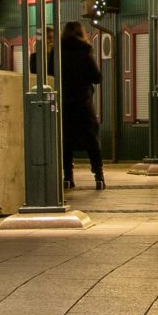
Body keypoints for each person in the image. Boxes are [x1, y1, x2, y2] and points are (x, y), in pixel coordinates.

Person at [59, 20, 104, 191]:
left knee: (66, 141)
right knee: (91, 139)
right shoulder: (85, 52)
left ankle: (68, 176)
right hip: (83, 103)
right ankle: (98, 175)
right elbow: (97, 77)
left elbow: (49, 71)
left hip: (64, 103)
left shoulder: (58, 53)